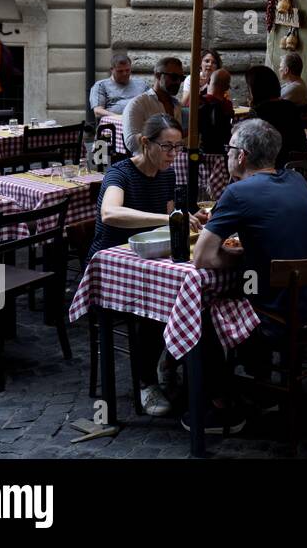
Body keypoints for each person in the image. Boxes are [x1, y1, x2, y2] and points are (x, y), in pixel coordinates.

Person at [190, 119, 307, 433]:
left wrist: (232, 256)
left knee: (203, 312)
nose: (225, 155)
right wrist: (247, 253)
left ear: (242, 156)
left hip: (278, 316)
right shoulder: (298, 180)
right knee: (249, 294)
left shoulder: (238, 192)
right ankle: (263, 389)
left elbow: (202, 257)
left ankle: (220, 407)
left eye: (229, 149)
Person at [87, 113, 202, 418]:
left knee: (192, 298)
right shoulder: (119, 173)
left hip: (150, 258)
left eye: (177, 148)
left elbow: (168, 219)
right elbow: (110, 213)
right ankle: (146, 383)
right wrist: (169, 218)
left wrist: (191, 224)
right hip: (112, 266)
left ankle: (168, 364)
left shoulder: (166, 175)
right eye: (167, 147)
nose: (173, 155)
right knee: (151, 311)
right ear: (144, 142)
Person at [244, 65, 306, 165]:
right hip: (296, 171)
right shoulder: (291, 107)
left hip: (271, 173)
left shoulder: (258, 113)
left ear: (255, 89)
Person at [122, 57, 185, 155]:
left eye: (181, 78)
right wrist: (159, 132)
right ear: (158, 75)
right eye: (174, 77)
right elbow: (131, 144)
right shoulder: (138, 103)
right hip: (147, 165)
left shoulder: (177, 106)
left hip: (173, 163)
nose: (178, 82)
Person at [90, 53, 146, 120]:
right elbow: (98, 111)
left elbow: (153, 104)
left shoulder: (142, 84)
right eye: (120, 71)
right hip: (114, 124)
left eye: (127, 70)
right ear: (112, 70)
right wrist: (120, 117)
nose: (124, 74)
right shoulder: (101, 85)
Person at [198, 68, 234, 154]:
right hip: (224, 150)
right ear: (227, 87)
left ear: (209, 81)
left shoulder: (200, 102)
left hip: (203, 151)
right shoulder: (228, 105)